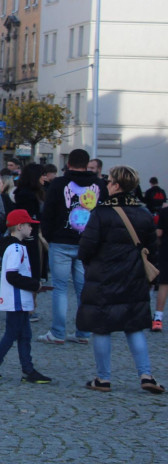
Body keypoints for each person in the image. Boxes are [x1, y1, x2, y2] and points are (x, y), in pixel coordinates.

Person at [77, 165, 164, 394]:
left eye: (109, 181)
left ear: (116, 185)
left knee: (102, 328)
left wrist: (90, 265)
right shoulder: (144, 214)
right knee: (134, 327)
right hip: (134, 277)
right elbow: (152, 249)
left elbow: (86, 248)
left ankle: (103, 378)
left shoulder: (101, 213)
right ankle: (146, 374)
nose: (106, 184)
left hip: (104, 278)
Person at [39, 148, 106, 345]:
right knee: (83, 289)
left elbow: (48, 213)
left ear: (68, 164)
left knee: (60, 288)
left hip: (60, 241)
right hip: (87, 242)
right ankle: (83, 332)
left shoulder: (59, 184)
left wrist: (49, 236)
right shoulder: (98, 184)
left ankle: (58, 332)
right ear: (87, 165)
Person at [0, 209, 52, 384]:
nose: (31, 228)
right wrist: (34, 285)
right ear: (20, 226)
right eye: (29, 225)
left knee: (23, 335)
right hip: (17, 299)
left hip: (17, 299)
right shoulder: (16, 248)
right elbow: (11, 275)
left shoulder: (13, 247)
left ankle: (26, 369)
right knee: (14, 334)